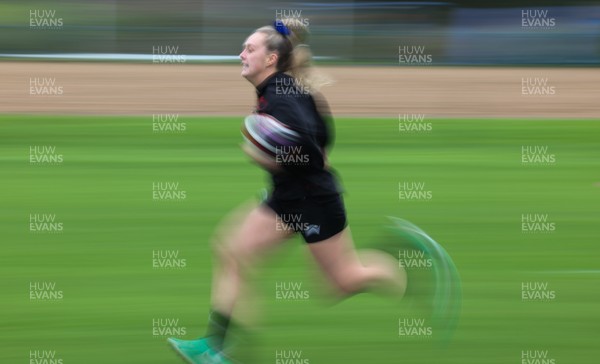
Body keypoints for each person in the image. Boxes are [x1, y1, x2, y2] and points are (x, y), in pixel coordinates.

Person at [168, 19, 406, 364]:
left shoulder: (280, 97)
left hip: (313, 201)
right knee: (231, 251)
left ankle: (407, 263)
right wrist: (276, 152)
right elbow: (323, 137)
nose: (241, 54)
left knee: (341, 283)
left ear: (270, 59)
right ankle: (215, 348)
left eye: (250, 48)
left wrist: (268, 155)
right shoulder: (284, 89)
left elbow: (310, 151)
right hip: (286, 198)